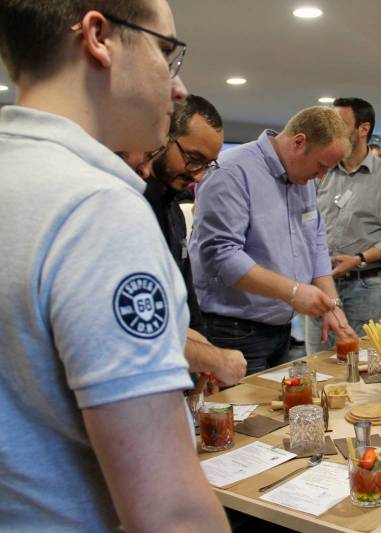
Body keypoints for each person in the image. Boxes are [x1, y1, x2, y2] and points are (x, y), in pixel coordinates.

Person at [0, 2, 229, 531]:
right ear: (99, 36)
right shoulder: (97, 210)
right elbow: (169, 512)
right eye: (166, 53)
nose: (178, 88)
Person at [190, 106, 355, 374]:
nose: (321, 176)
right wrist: (293, 292)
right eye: (321, 166)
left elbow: (315, 242)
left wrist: (331, 305)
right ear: (299, 142)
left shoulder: (303, 179)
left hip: (279, 330)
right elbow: (222, 255)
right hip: (233, 331)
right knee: (247, 403)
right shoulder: (232, 171)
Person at [145, 94, 246, 386]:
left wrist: (203, 356)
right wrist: (213, 359)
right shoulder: (132, 206)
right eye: (193, 159)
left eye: (207, 164)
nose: (199, 176)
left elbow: (185, 299)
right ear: (163, 137)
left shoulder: (173, 210)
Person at [309, 97, 381, 353]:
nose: (331, 130)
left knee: (361, 362)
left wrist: (359, 259)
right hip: (320, 285)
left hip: (364, 285)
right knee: (316, 363)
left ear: (363, 129)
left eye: (339, 124)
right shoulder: (322, 171)